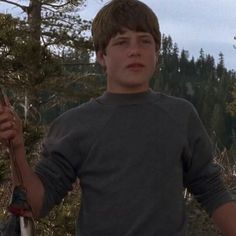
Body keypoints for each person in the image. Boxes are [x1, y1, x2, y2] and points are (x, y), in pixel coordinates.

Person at [0, 0, 236, 235]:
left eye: (145, 41)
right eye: (122, 42)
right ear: (102, 56)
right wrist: (17, 149)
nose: (135, 50)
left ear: (156, 52)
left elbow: (211, 189)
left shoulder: (181, 115)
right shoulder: (75, 125)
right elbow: (34, 204)